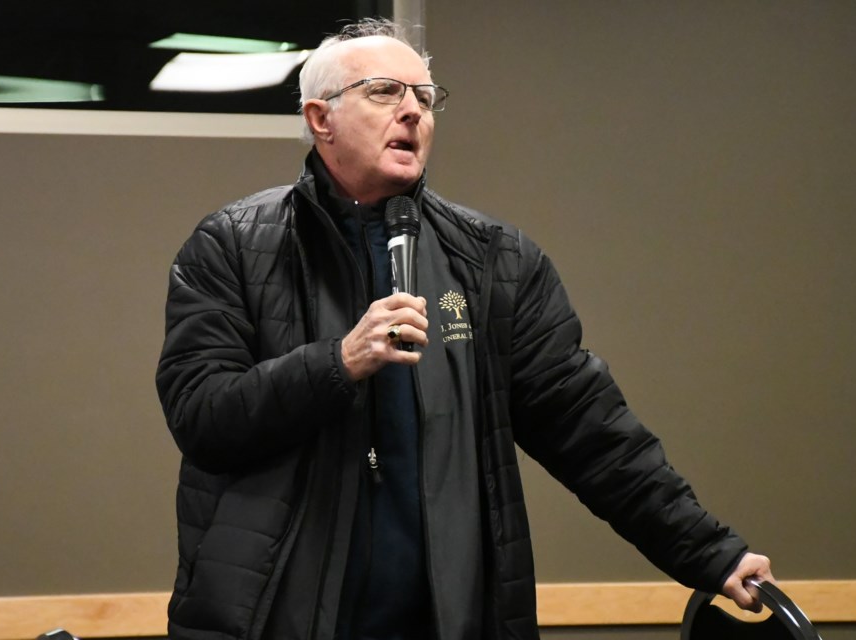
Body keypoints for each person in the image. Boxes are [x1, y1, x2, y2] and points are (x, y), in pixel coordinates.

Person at [156, 17, 774, 640]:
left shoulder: (493, 260)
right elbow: (202, 417)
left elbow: (591, 432)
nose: (412, 113)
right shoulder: (234, 245)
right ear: (322, 119)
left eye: (425, 98)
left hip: (449, 620)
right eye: (384, 92)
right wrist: (336, 363)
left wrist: (708, 553)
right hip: (277, 620)